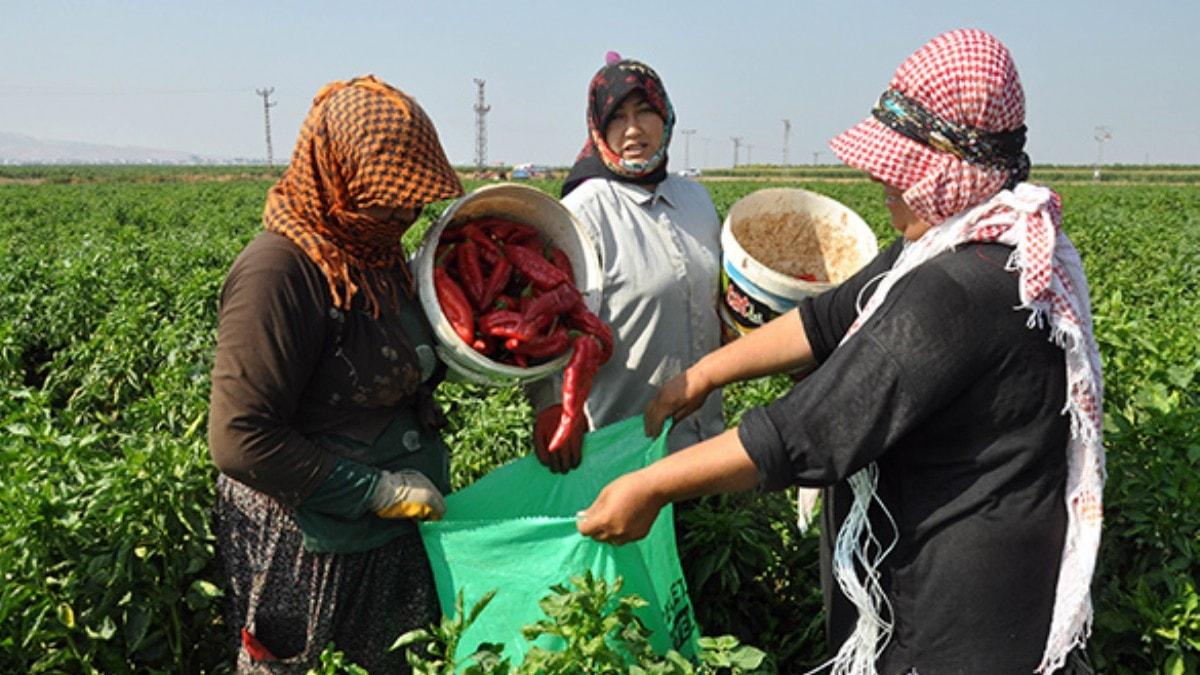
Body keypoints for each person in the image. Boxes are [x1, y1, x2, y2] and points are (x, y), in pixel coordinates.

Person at [577, 29, 1105, 674]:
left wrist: (651, 485)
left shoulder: (957, 286)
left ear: (945, 171)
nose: (879, 178)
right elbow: (829, 317)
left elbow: (810, 431)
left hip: (950, 613)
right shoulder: (956, 248)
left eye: (897, 166)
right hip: (977, 578)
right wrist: (702, 375)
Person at [207, 75, 464, 673]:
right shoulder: (281, 271)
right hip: (311, 549)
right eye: (391, 196)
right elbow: (239, 437)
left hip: (385, 544)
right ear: (337, 173)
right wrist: (376, 491)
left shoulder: (377, 257)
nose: (407, 211)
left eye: (414, 196)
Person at [529, 54, 725, 472]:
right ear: (598, 128)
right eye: (617, 118)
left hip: (708, 442)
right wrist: (551, 405)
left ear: (667, 115)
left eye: (645, 112)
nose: (633, 130)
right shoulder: (585, 213)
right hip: (625, 447)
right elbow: (546, 322)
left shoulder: (697, 201)